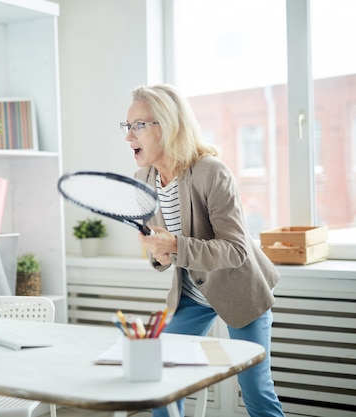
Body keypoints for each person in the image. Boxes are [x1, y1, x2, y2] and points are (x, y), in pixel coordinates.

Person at [122, 84, 284, 417]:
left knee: (255, 388)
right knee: (161, 379)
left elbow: (236, 250)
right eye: (127, 127)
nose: (129, 137)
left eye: (137, 126)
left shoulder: (212, 172)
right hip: (193, 296)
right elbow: (164, 252)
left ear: (166, 126)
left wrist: (176, 246)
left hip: (239, 289)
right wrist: (159, 253)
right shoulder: (145, 177)